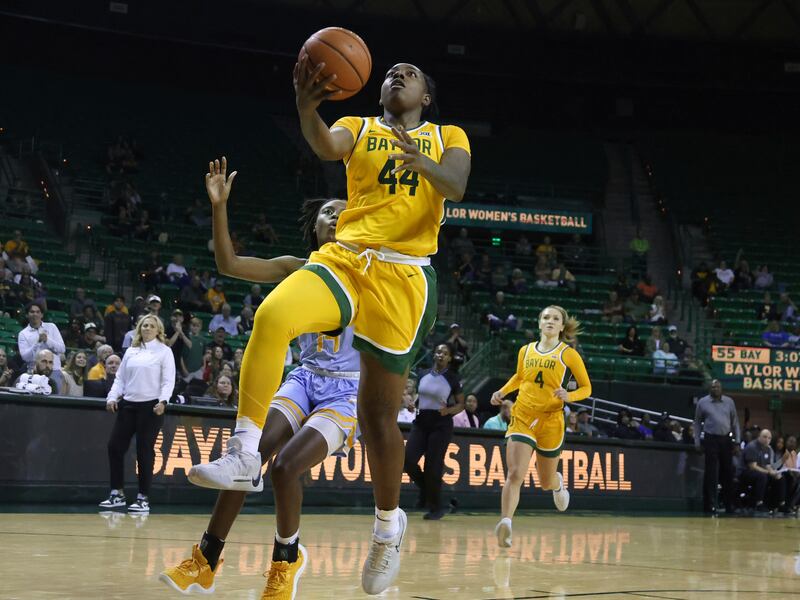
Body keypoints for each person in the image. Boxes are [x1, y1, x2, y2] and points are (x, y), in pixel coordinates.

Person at [187, 55, 471, 597]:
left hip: (404, 275)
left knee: (379, 416)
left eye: (409, 73)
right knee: (271, 315)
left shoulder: (447, 134)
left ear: (426, 97)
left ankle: (388, 526)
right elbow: (325, 144)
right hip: (346, 259)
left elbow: (456, 185)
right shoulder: (360, 127)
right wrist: (304, 105)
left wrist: (422, 161)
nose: (396, 76)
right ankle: (245, 452)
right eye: (389, 72)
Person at [162, 186, 363, 598]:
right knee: (248, 457)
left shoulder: (373, 275)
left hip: (347, 391)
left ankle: (286, 560)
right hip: (306, 379)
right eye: (327, 211)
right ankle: (205, 559)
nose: (335, 217)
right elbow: (229, 263)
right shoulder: (298, 269)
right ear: (316, 225)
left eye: (345, 212)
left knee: (285, 469)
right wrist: (219, 207)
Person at [491, 305, 591, 548]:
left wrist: (570, 396)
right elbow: (520, 376)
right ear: (539, 323)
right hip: (523, 415)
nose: (550, 321)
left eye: (555, 318)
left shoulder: (568, 354)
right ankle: (506, 523)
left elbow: (586, 388)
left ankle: (557, 483)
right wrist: (503, 391)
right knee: (515, 474)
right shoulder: (525, 350)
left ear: (561, 326)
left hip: (551, 420)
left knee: (545, 482)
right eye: (546, 317)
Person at [99, 315, 175, 514]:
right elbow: (120, 379)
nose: (147, 328)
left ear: (158, 330)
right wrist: (112, 397)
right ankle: (117, 493)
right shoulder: (131, 351)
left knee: (144, 451)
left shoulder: (164, 352)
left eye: (151, 326)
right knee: (114, 446)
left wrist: (163, 401)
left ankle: (143, 498)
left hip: (151, 407)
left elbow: (168, 381)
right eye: (144, 325)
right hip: (128, 405)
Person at [403, 344, 464, 520]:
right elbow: (422, 394)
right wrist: (413, 402)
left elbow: (461, 404)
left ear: (450, 358)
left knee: (433, 466)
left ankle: (436, 507)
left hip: (440, 423)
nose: (440, 355)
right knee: (408, 460)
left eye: (445, 353)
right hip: (421, 421)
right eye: (438, 352)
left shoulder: (453, 378)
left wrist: (448, 411)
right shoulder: (423, 373)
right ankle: (426, 491)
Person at [694, 379, 740, 514]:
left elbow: (735, 422)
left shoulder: (729, 402)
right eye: (713, 387)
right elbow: (697, 423)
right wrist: (697, 441)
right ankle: (710, 505)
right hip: (710, 439)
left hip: (726, 439)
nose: (715, 389)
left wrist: (737, 441)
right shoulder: (703, 402)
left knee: (728, 472)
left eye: (717, 387)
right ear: (709, 389)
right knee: (711, 473)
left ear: (721, 389)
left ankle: (729, 504)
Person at [17, 302, 65, 392]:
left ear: (42, 314)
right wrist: (37, 343)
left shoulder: (52, 327)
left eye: (38, 312)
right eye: (32, 312)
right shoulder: (23, 334)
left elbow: (62, 349)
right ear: (27, 315)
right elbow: (25, 357)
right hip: (34, 373)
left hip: (54, 371)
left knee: (56, 400)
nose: (35, 314)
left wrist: (47, 340)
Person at [741, 429, 787, 512]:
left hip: (760, 472)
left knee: (780, 478)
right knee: (762, 476)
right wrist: (769, 472)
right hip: (745, 472)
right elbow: (753, 467)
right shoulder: (752, 447)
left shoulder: (768, 449)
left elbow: (767, 465)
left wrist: (774, 472)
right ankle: (759, 503)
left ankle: (780, 504)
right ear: (759, 437)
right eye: (765, 437)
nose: (767, 440)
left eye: (769, 438)